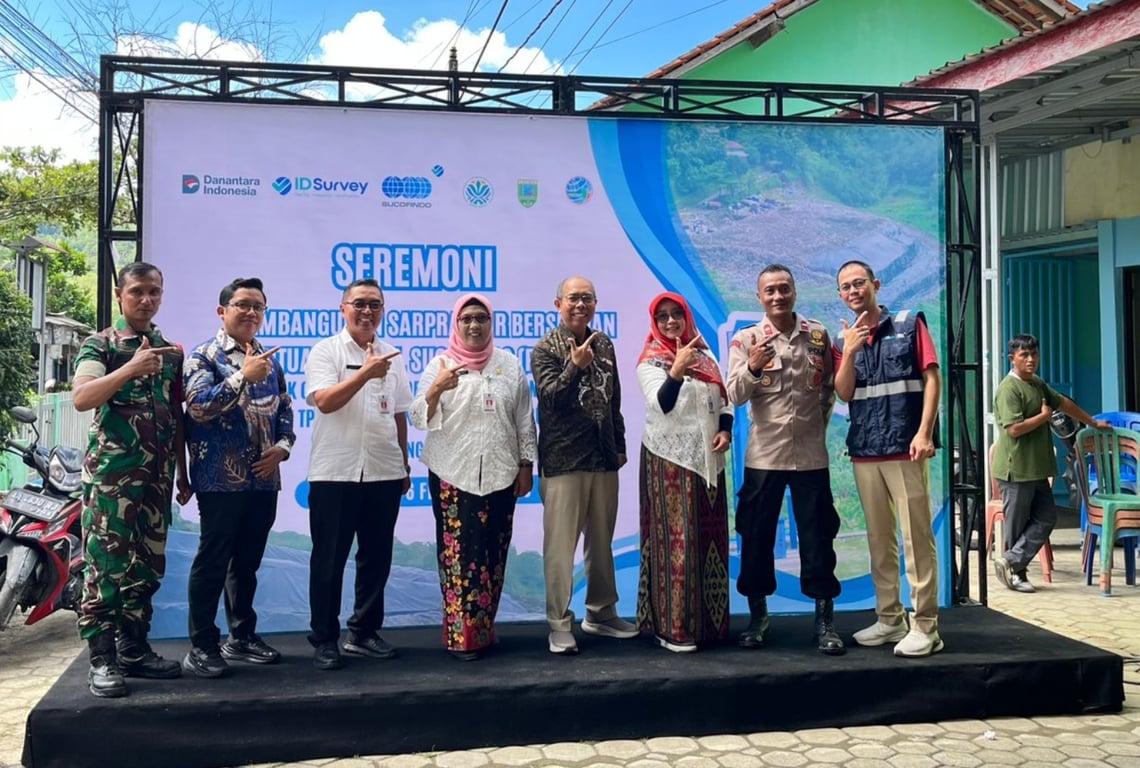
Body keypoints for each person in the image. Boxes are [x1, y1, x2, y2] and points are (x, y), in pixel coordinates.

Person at [72, 261, 190, 698]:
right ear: (120, 295)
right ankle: (101, 659)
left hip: (157, 478)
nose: (146, 300)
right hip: (112, 480)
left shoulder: (170, 351)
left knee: (147, 567)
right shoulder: (100, 344)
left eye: (154, 292)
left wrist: (183, 471)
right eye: (138, 291)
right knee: (105, 567)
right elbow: (83, 397)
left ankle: (134, 649)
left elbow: (175, 414)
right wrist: (129, 368)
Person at [410, 293, 537, 661]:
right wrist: (437, 388)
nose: (474, 325)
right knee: (459, 556)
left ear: (491, 323)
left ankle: (484, 629)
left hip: (502, 471)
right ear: (456, 324)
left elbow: (524, 418)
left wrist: (526, 464)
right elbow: (418, 418)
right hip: (453, 473)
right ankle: (461, 637)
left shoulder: (509, 364)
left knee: (493, 554)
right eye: (466, 319)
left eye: (481, 318)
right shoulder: (441, 364)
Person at [727, 265, 845, 656]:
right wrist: (753, 366)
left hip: (811, 456)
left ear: (794, 292)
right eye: (770, 291)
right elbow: (735, 394)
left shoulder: (817, 335)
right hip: (765, 456)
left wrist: (817, 427)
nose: (778, 296)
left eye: (784, 289)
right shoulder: (747, 339)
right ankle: (758, 619)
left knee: (819, 538)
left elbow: (828, 390)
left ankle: (824, 622)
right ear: (759, 297)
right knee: (755, 537)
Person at [181, 277, 295, 678]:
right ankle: (202, 645)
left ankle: (241, 637)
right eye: (243, 304)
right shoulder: (203, 357)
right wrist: (241, 376)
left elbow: (285, 410)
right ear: (222, 311)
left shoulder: (269, 359)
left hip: (264, 480)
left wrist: (283, 448)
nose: (251, 312)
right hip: (219, 479)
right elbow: (198, 407)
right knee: (213, 561)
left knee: (247, 563)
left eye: (258, 307)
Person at [833, 259, 942, 658]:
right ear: (840, 295)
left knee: (916, 538)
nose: (853, 291)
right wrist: (849, 351)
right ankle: (890, 618)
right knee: (879, 540)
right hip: (865, 451)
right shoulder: (843, 338)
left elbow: (932, 378)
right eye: (846, 287)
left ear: (876, 285)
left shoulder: (908, 324)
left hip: (905, 447)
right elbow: (843, 392)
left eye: (859, 283)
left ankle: (926, 626)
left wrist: (924, 432)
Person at [304, 278, 411, 670]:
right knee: (329, 560)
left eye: (375, 305)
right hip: (335, 471)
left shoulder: (393, 355)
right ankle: (324, 638)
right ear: (343, 308)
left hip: (384, 469)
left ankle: (364, 632)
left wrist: (403, 463)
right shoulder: (325, 351)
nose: (367, 311)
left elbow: (399, 413)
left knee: (376, 558)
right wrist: (364, 373)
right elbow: (324, 401)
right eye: (360, 304)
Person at [532, 276, 637, 655]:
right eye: (573, 298)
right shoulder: (545, 348)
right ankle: (559, 624)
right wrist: (574, 367)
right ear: (558, 303)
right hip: (563, 461)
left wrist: (619, 444)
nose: (580, 305)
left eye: (587, 298)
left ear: (595, 304)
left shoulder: (604, 343)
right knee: (561, 550)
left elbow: (614, 400)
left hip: (603, 457)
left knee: (602, 544)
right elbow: (550, 399)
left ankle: (602, 613)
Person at [636, 292, 732, 653]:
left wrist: (725, 431)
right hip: (669, 460)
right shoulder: (650, 361)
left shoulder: (705, 355)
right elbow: (660, 404)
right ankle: (673, 628)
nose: (671, 321)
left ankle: (709, 626)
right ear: (655, 323)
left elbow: (724, 402)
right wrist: (676, 370)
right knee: (676, 543)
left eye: (676, 314)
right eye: (662, 317)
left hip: (709, 462)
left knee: (708, 541)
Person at [991, 334, 1109, 593]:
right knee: (1017, 524)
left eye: (1034, 354)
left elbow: (1063, 403)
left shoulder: (1037, 383)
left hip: (1038, 468)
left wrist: (1092, 422)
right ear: (1012, 359)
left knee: (1047, 517)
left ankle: (1010, 561)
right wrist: (1044, 416)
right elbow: (1013, 429)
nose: (1031, 359)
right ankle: (1016, 575)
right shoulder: (1009, 389)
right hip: (1016, 469)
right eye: (1024, 355)